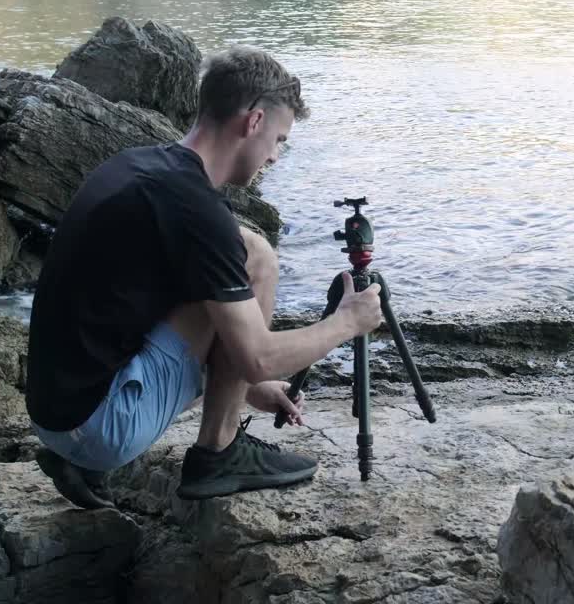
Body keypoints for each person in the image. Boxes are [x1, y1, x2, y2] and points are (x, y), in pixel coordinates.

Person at [25, 45, 383, 508]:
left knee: (240, 254)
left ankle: (82, 461)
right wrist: (347, 322)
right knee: (256, 259)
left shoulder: (139, 167)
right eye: (278, 140)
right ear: (253, 121)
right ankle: (220, 451)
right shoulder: (197, 210)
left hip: (55, 411)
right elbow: (259, 358)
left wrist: (247, 390)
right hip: (98, 427)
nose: (275, 156)